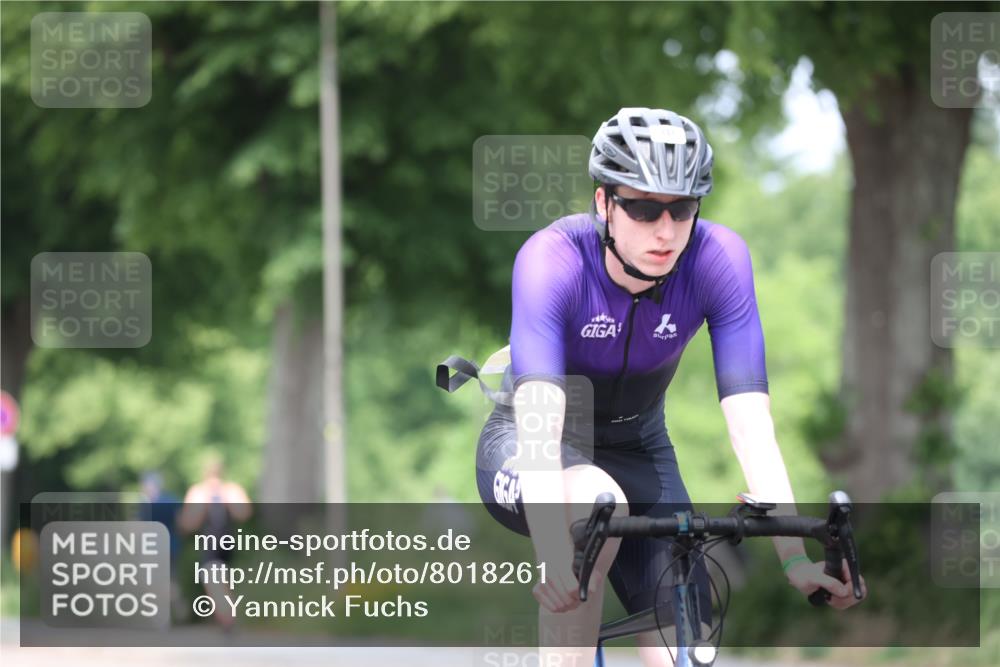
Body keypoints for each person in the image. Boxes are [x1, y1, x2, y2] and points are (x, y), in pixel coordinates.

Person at [473, 107, 866, 667]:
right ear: (604, 203)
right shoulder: (551, 261)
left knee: (687, 646)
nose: (665, 231)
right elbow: (542, 424)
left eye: (681, 209)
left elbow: (752, 427)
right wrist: (556, 557)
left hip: (640, 450)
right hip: (534, 446)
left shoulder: (717, 259)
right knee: (589, 506)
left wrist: (792, 559)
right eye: (642, 208)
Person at [178, 453, 251, 632]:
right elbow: (245, 513)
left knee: (213, 579)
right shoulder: (231, 489)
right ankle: (227, 615)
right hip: (228, 541)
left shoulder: (201, 491)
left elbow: (188, 524)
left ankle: (227, 617)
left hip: (214, 542)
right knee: (220, 580)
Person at [139, 471, 186, 621]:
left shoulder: (145, 504)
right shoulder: (172, 500)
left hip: (152, 548)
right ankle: (176, 604)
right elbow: (181, 524)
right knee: (170, 580)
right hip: (171, 546)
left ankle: (159, 614)